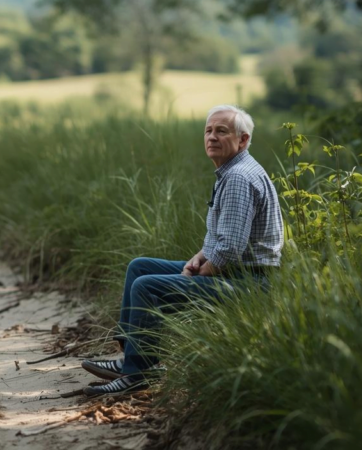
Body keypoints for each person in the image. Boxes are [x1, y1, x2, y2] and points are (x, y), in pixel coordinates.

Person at [81, 104, 284, 397]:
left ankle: (137, 374)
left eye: (221, 131)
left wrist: (202, 272)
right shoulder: (232, 171)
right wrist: (200, 257)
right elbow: (223, 237)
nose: (212, 137)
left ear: (243, 140)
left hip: (249, 284)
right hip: (236, 273)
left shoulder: (238, 178)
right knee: (140, 266)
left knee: (146, 286)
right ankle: (132, 359)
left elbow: (229, 250)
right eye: (208, 130)